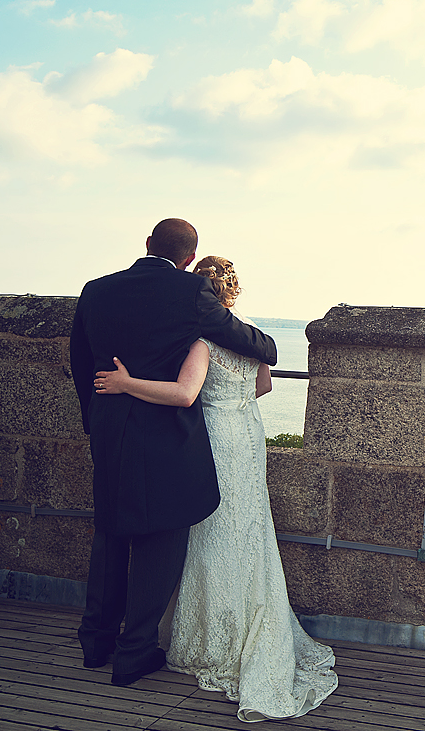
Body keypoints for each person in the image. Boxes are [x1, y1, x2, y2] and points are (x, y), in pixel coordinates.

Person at [93, 255, 338, 721]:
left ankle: (212, 636)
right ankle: (251, 623)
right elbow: (263, 387)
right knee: (247, 530)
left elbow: (185, 395)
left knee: (209, 533)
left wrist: (126, 384)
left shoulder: (202, 341)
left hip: (215, 442)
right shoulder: (250, 336)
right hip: (249, 434)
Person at [70, 220, 277, 687]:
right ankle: (134, 652)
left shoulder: (95, 290)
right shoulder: (190, 293)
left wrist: (97, 424)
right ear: (189, 258)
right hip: (163, 434)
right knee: (159, 539)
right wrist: (266, 341)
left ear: (146, 245)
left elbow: (81, 365)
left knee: (110, 534)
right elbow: (254, 345)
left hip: (109, 429)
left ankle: (95, 641)